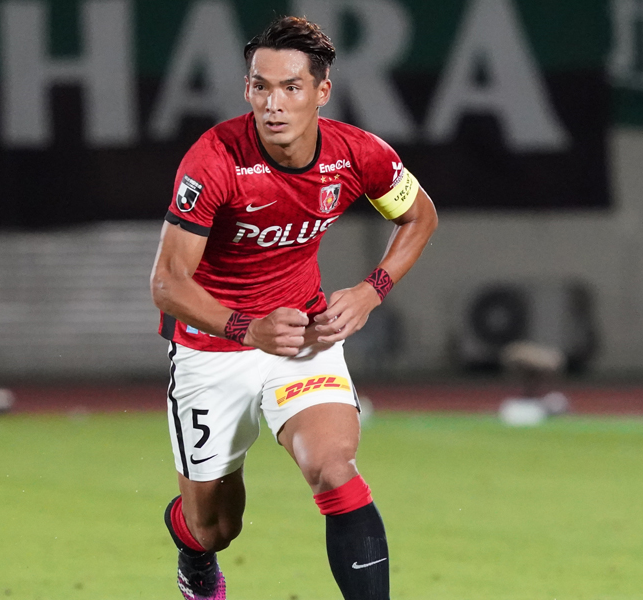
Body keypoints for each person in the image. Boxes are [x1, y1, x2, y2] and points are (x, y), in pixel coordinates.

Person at [150, 15, 438, 600]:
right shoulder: (215, 159)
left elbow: (420, 215)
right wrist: (245, 327)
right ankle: (193, 551)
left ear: (322, 91)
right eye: (261, 86)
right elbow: (168, 283)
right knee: (215, 527)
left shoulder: (357, 154)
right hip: (213, 346)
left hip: (302, 338)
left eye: (291, 87)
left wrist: (371, 289)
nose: (273, 103)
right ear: (247, 88)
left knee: (334, 469)